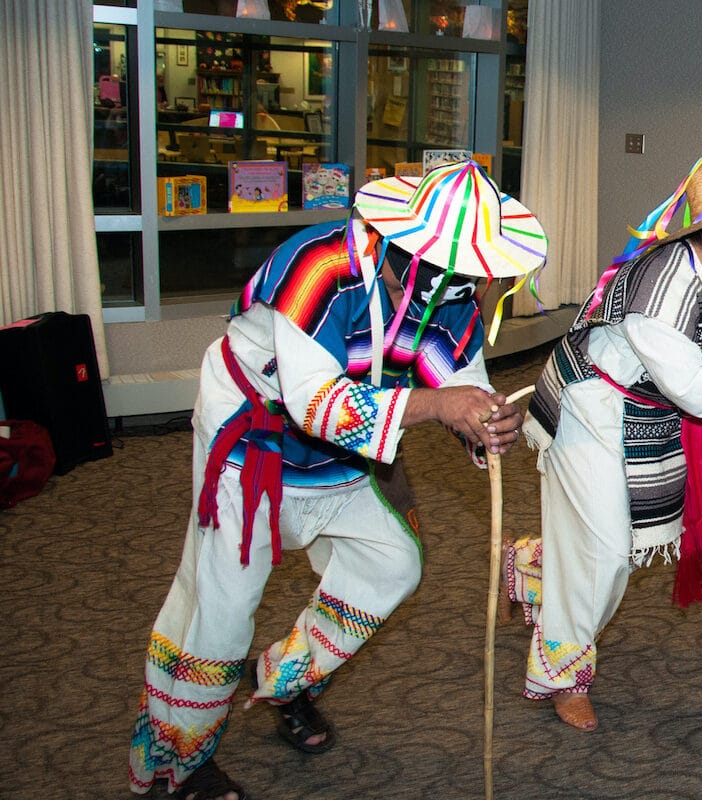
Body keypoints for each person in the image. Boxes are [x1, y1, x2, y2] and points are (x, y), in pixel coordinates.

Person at [128, 161, 547, 800]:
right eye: (456, 269)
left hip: (352, 438)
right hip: (257, 433)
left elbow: (459, 375)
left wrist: (485, 422)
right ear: (405, 245)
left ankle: (285, 680)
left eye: (476, 273)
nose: (470, 285)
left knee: (392, 564)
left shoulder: (451, 292)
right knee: (223, 602)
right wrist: (439, 407)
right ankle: (175, 761)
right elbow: (317, 403)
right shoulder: (319, 267)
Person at [503, 148, 702, 732]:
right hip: (590, 404)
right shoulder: (664, 281)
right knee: (604, 552)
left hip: (645, 413)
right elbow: (696, 389)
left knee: (615, 550)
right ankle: (561, 673)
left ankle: (535, 567)